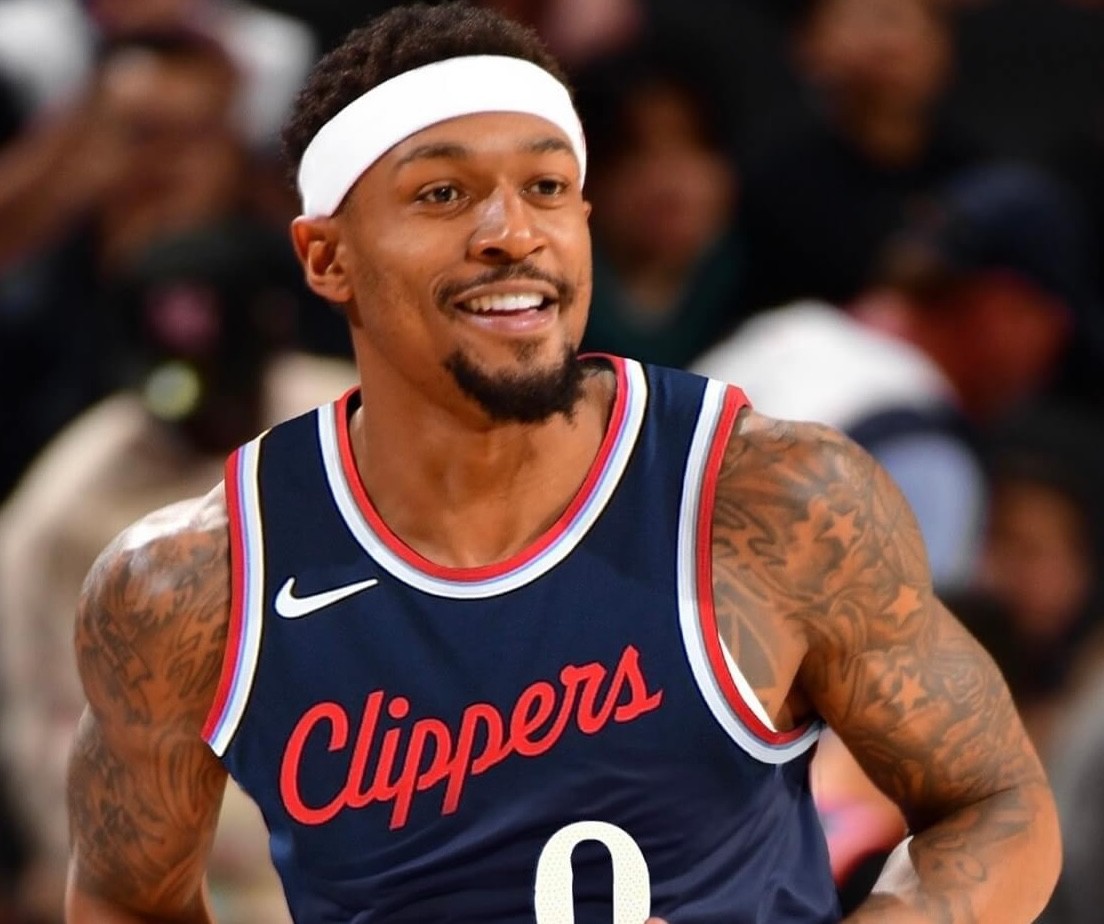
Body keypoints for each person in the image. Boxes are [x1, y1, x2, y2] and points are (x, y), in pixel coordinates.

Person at [63, 4, 1060, 922]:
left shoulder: (769, 499)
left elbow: (994, 802)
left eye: (545, 187)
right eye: (444, 194)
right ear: (328, 259)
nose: (513, 234)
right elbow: (122, 900)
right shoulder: (192, 588)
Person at [0, 221, 354, 923]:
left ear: (275, 333)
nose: (193, 412)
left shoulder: (364, 432)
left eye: (220, 386)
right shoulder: (67, 503)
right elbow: (43, 721)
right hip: (197, 872)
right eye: (171, 383)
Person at [694, 162, 1087, 590]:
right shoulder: (926, 456)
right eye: (1053, 329)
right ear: (1002, 310)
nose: (1050, 361)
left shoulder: (776, 336)